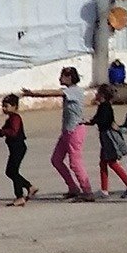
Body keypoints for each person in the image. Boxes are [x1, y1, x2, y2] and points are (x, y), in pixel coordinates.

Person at [42, 66, 92, 202]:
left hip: (75, 130)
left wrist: (33, 94)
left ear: (69, 77)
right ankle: (73, 188)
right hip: (67, 131)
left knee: (75, 163)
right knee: (56, 160)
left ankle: (87, 191)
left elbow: (55, 93)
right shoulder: (71, 91)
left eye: (62, 76)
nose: (60, 79)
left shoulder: (75, 91)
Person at [90, 86, 127, 198]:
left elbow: (104, 120)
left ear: (103, 95)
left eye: (98, 93)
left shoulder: (105, 107)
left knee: (111, 161)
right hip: (104, 136)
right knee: (103, 162)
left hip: (108, 136)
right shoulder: (103, 106)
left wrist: (93, 121)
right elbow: (97, 119)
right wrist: (89, 121)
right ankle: (104, 189)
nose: (96, 95)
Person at [0, 94, 34, 206]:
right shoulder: (10, 119)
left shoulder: (15, 118)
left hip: (18, 147)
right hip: (14, 148)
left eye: (6, 106)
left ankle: (20, 196)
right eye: (3, 106)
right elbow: (2, 133)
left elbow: (13, 132)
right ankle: (29, 187)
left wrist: (1, 131)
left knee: (12, 172)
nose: (3, 108)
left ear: (14, 106)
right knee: (11, 171)